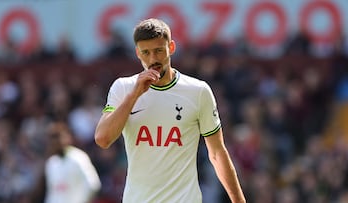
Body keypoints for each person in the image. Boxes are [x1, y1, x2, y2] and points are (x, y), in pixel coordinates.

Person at [94, 18, 246, 203]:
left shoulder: (198, 91)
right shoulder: (123, 88)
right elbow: (103, 139)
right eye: (146, 52)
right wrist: (135, 95)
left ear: (171, 47)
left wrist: (239, 201)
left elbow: (217, 152)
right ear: (137, 53)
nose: (153, 59)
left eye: (159, 50)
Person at [32, 121, 101, 203]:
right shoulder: (51, 163)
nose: (55, 143)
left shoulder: (78, 157)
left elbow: (93, 184)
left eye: (58, 138)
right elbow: (53, 192)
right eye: (52, 140)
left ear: (67, 138)